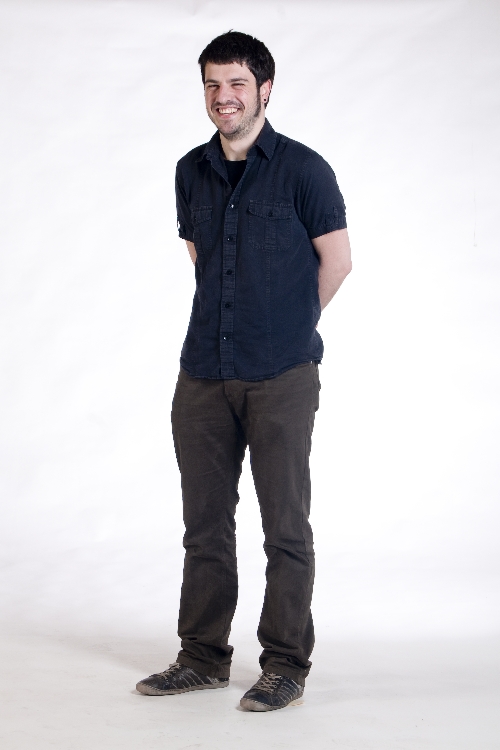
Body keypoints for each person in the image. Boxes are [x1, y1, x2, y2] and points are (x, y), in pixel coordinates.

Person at [136, 30, 351, 712]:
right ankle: (202, 657)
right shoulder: (189, 171)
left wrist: (285, 326)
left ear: (265, 89)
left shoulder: (305, 170)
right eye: (212, 84)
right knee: (204, 526)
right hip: (202, 371)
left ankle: (285, 664)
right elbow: (203, 261)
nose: (222, 96)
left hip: (281, 374)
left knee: (285, 527)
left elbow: (338, 262)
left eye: (235, 83)